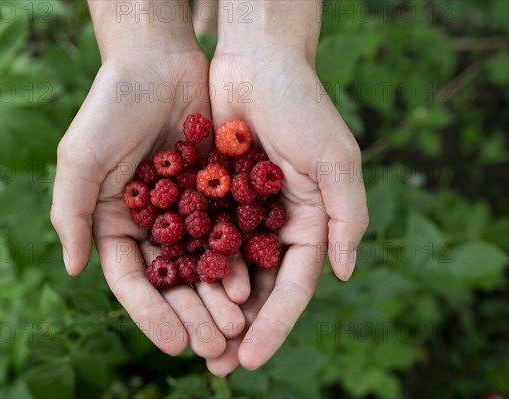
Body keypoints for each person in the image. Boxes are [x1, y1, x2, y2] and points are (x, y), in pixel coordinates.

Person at [50, 0, 369, 377]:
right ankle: (208, 17)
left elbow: (224, 214)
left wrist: (268, 45)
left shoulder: (230, 201)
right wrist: (141, 47)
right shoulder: (190, 206)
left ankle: (212, 16)